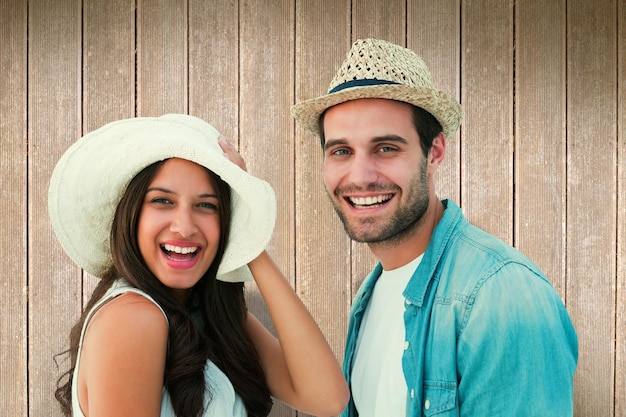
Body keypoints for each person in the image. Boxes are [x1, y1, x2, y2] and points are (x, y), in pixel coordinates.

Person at [290, 38, 578, 416]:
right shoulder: (372, 292)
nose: (359, 176)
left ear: (435, 152)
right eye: (341, 151)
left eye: (386, 148)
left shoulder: (501, 297)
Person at [49, 114, 349, 417]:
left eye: (206, 205)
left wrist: (248, 231)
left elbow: (326, 397)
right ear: (132, 215)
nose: (185, 227)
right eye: (163, 201)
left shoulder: (205, 315)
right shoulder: (134, 318)